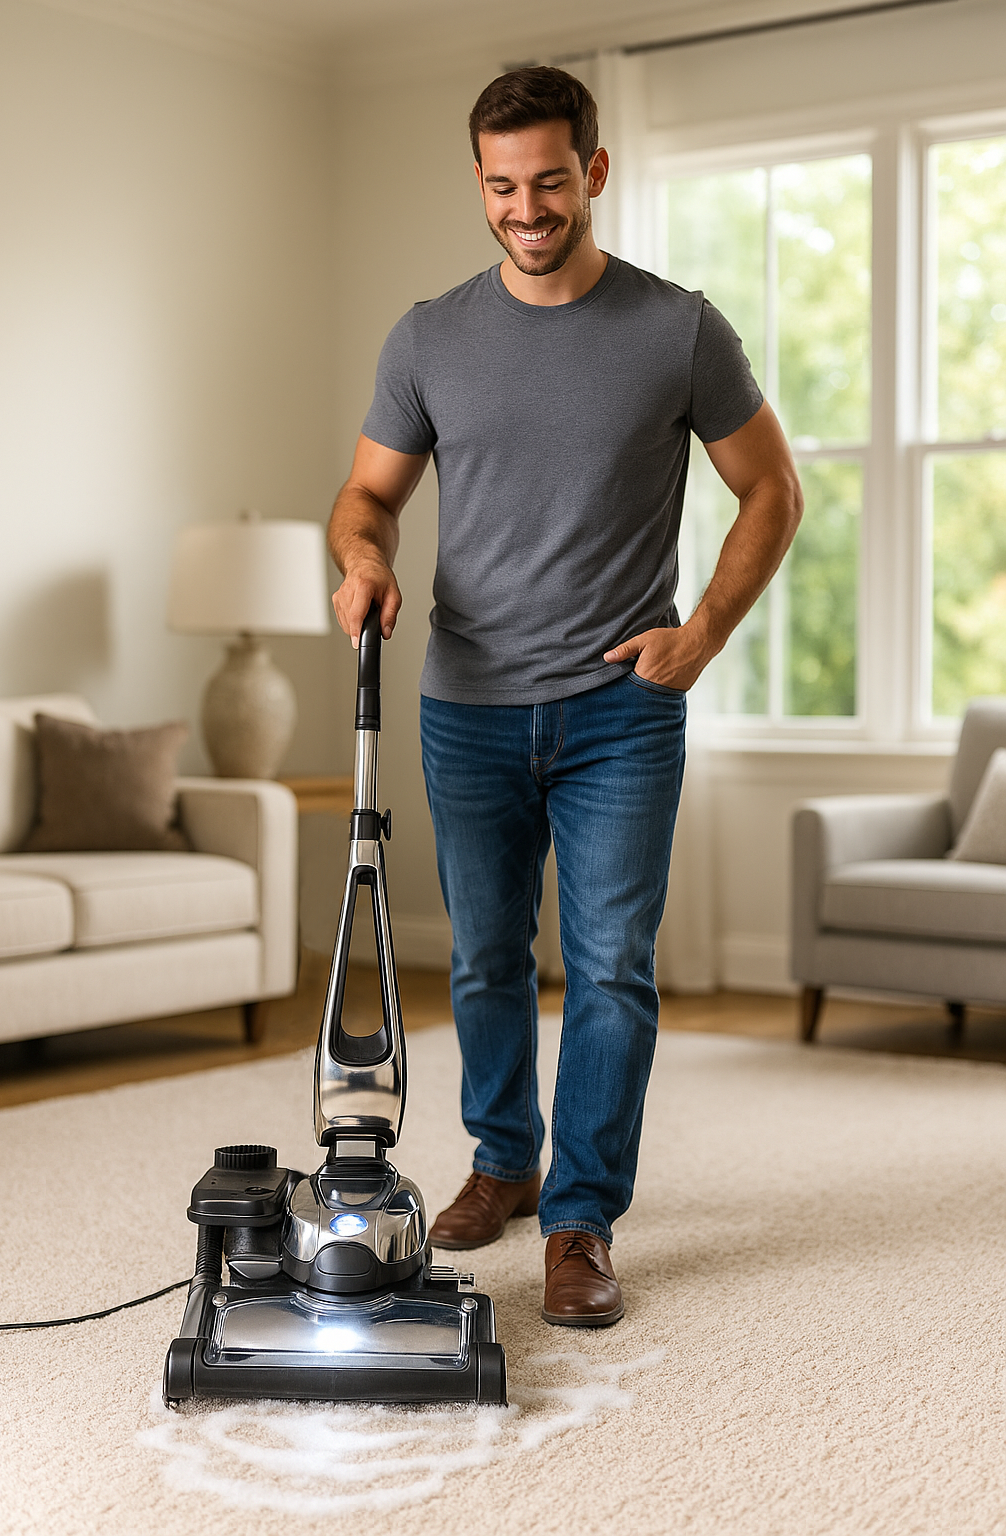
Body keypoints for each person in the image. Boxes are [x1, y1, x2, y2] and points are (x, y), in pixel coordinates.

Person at [328, 66, 802, 1328]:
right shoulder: (429, 335)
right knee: (485, 957)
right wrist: (365, 557)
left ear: (593, 171)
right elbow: (365, 496)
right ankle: (503, 1162)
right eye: (500, 186)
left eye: (547, 181)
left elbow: (773, 491)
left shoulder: (677, 329)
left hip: (617, 710)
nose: (524, 208)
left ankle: (582, 1218)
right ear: (477, 185)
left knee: (609, 967)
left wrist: (700, 634)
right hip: (465, 702)